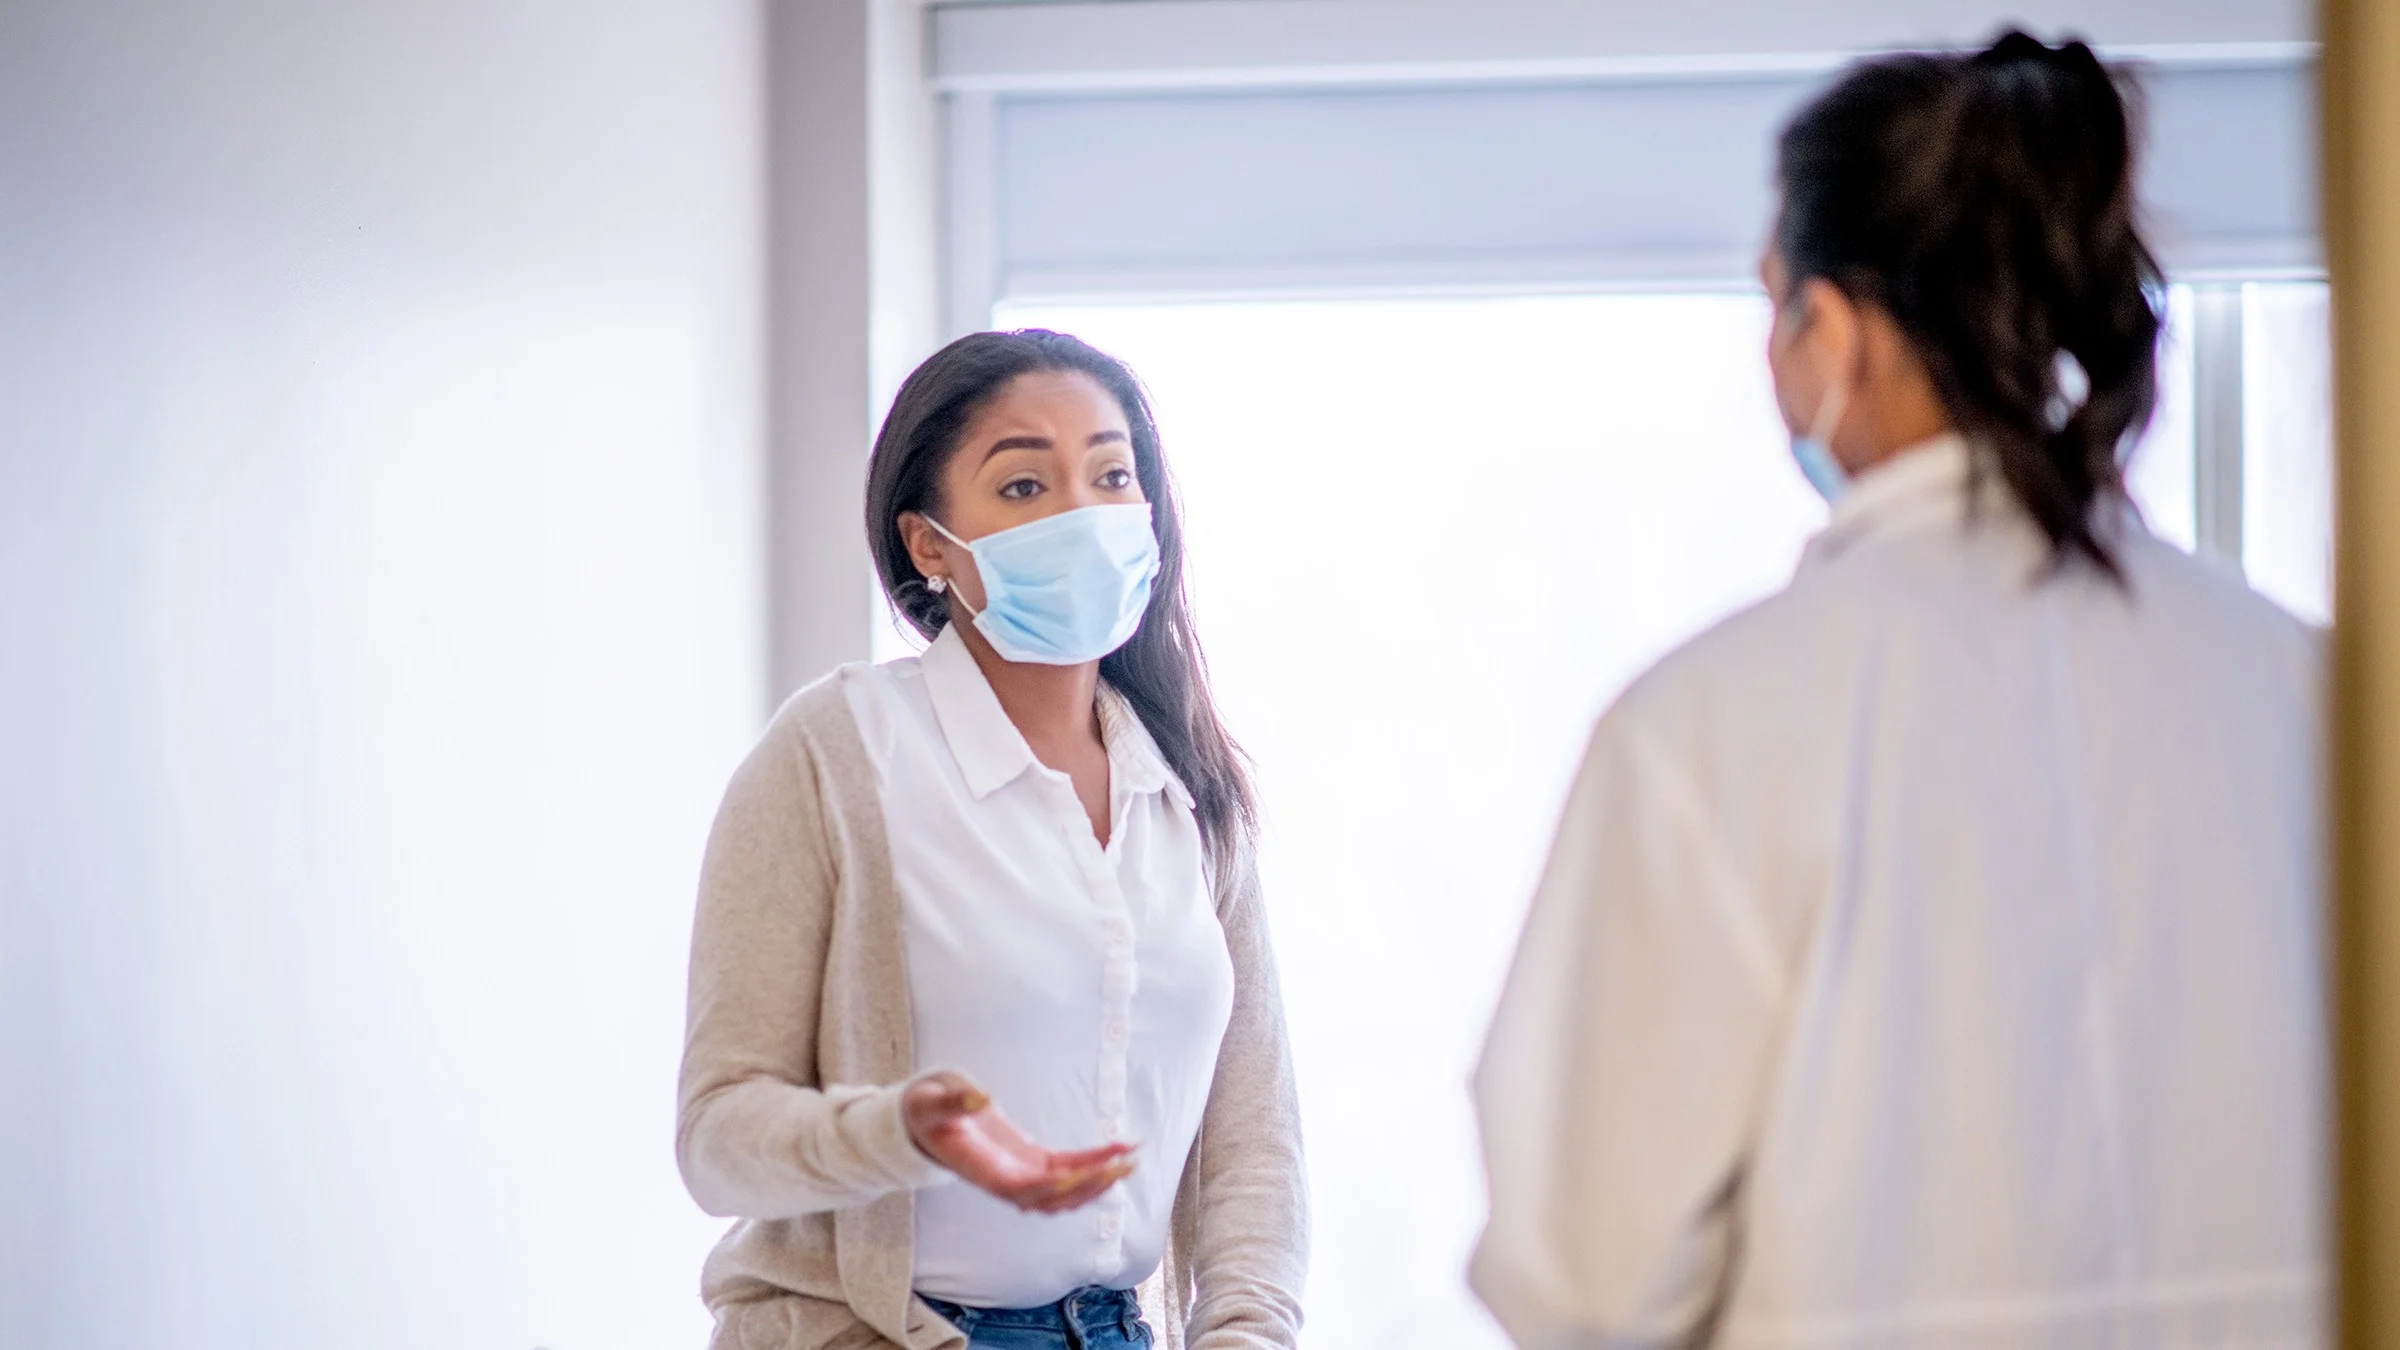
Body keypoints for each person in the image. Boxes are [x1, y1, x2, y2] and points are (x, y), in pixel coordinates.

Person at [1471, 31, 2324, 1350]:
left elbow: (1585, 1275)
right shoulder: (2307, 691)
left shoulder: (1713, 727)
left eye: (1777, 308)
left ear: (1840, 334)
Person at [676, 330, 1307, 1350]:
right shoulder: (837, 756)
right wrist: (897, 1132)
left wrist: (1243, 1333)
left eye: (1111, 475)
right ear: (929, 544)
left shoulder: (1186, 791)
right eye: (1023, 487)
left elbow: (1254, 1145)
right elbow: (717, 1141)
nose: (1083, 515)